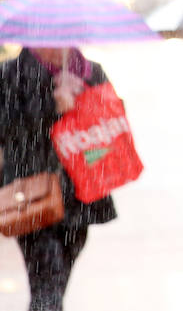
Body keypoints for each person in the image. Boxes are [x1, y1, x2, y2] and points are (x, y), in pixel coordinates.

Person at [0, 47, 118, 311]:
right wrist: (52, 107)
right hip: (31, 198)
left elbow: (112, 132)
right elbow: (5, 130)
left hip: (79, 198)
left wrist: (80, 105)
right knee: (47, 286)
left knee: (53, 286)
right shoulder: (9, 74)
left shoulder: (91, 72)